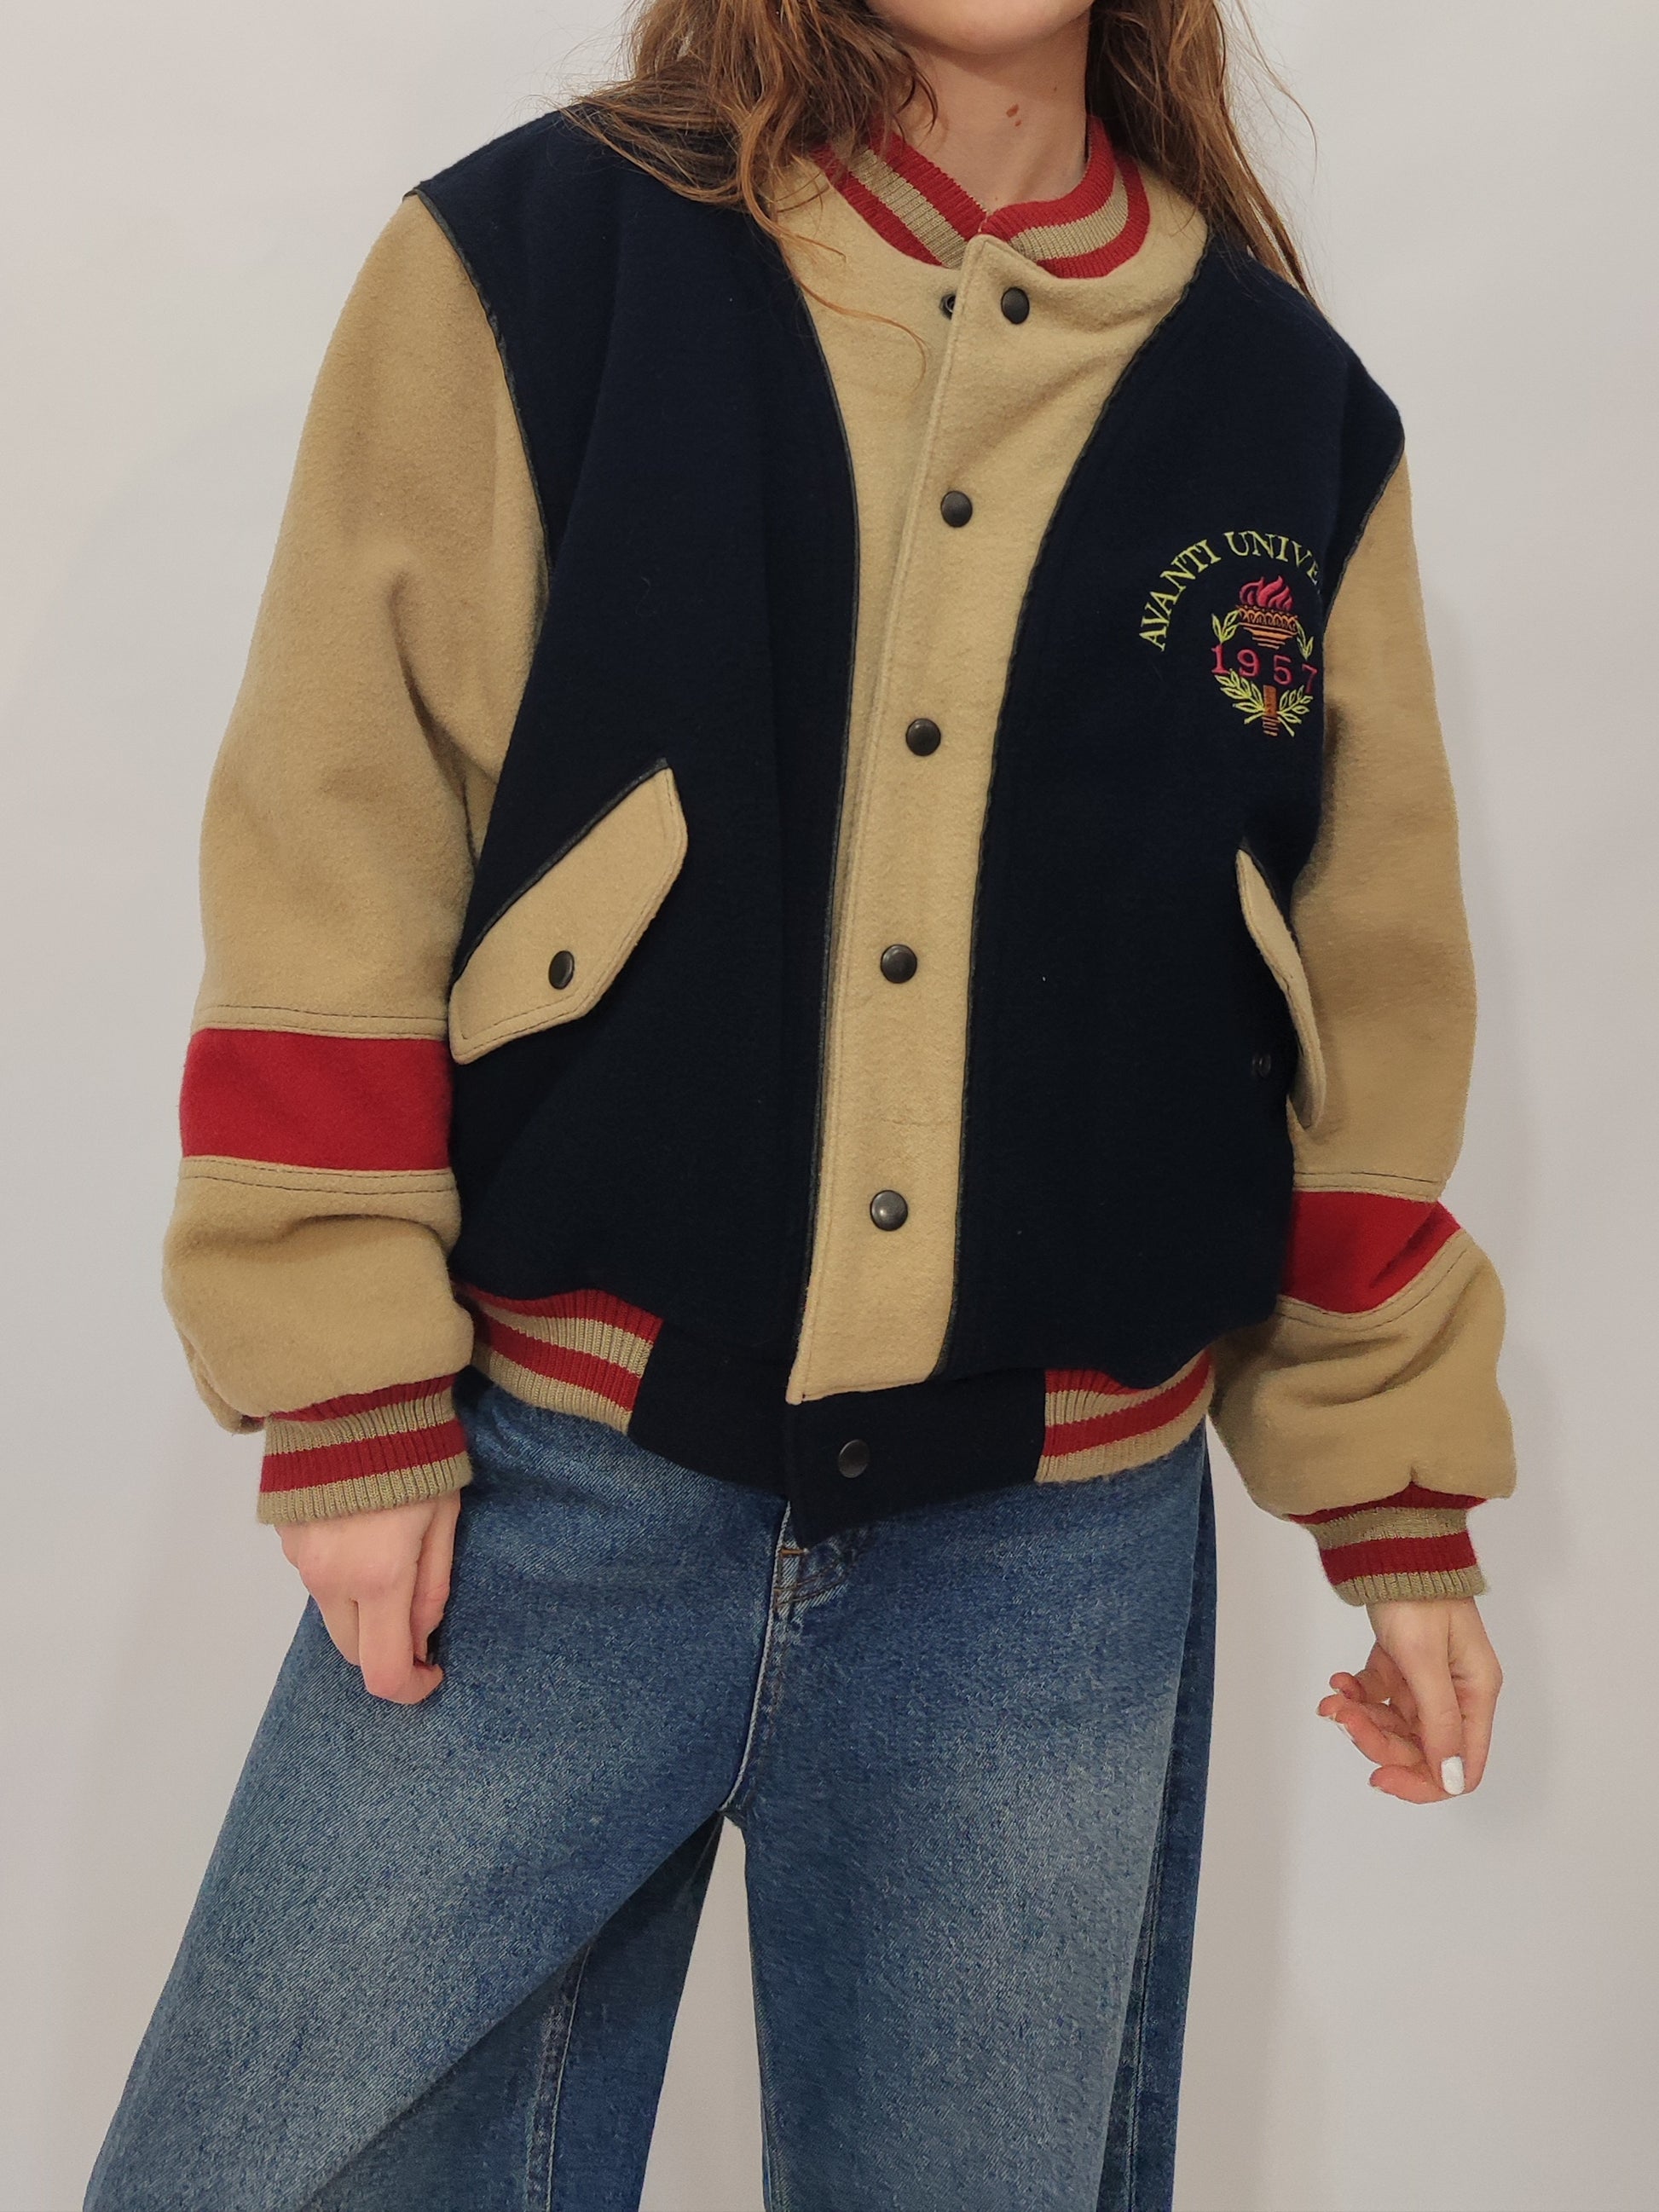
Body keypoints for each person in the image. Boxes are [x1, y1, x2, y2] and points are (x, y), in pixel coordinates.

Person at [86, 2, 1515, 2206]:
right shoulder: (535, 260)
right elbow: (339, 833)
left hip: (1049, 1561)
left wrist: (1393, 1495)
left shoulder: (1286, 406)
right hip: (548, 1485)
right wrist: (344, 1379)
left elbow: (1363, 984)